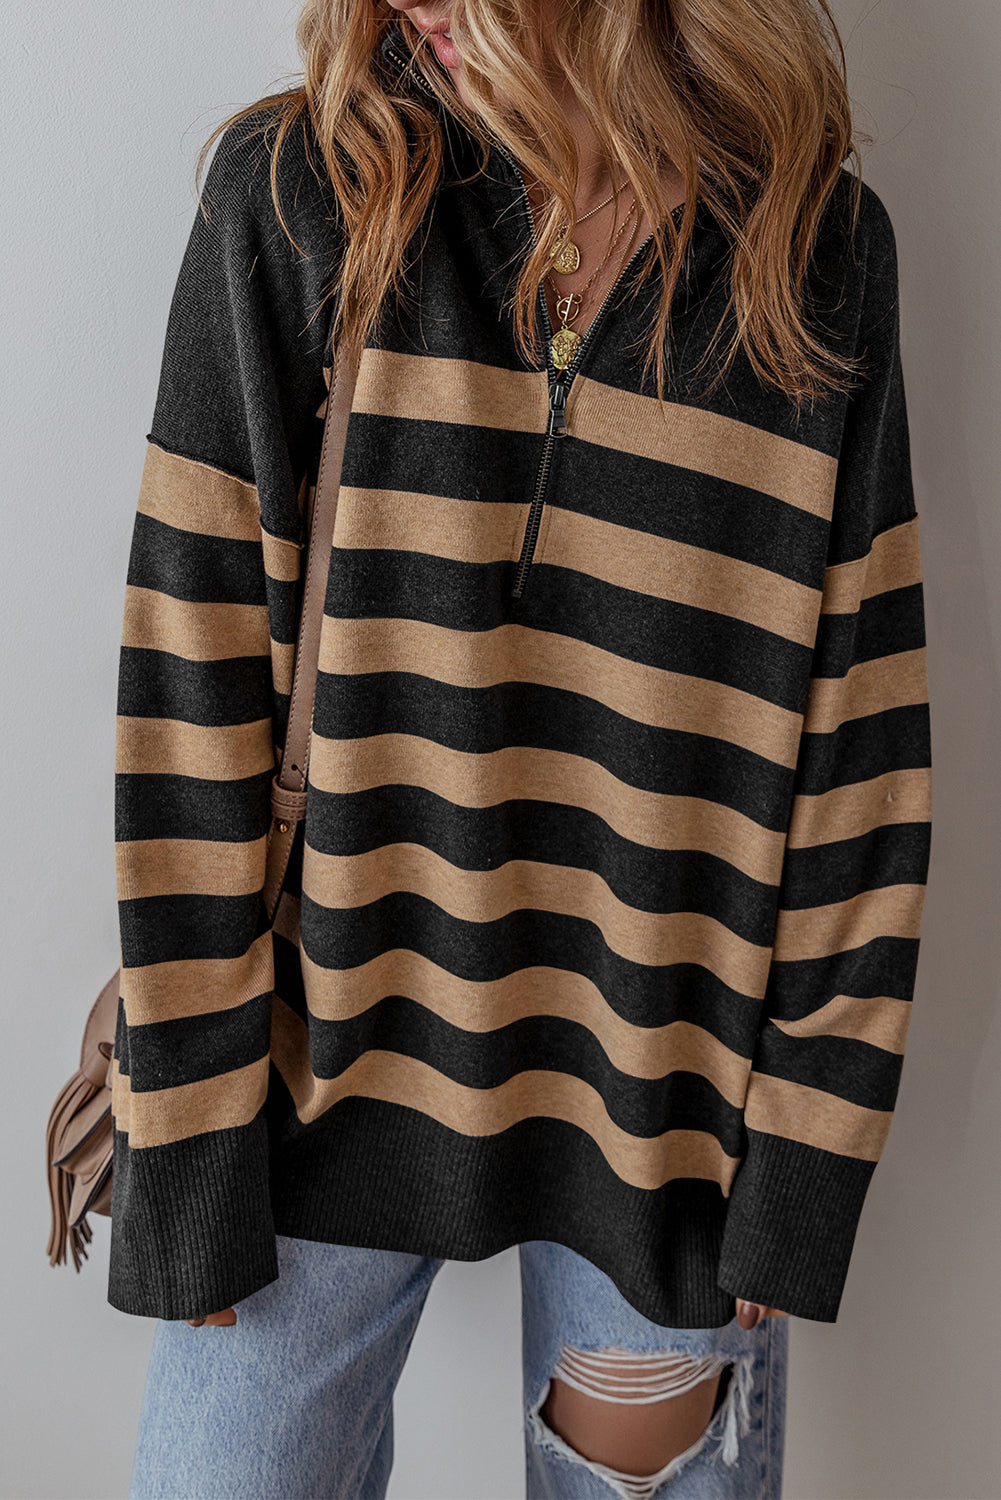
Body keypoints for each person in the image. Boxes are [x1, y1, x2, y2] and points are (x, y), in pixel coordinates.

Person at [109, 0, 932, 1495]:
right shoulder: (303, 193)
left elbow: (860, 736)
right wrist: (185, 1138)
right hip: (308, 1093)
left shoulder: (809, 253)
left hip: (667, 1145)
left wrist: (804, 1165)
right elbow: (190, 681)